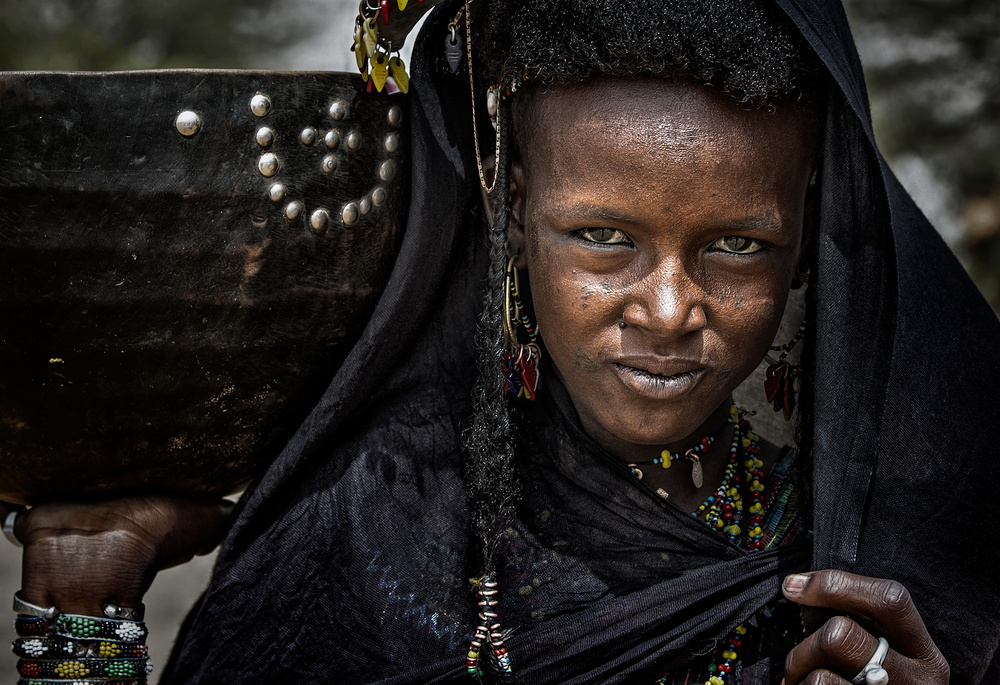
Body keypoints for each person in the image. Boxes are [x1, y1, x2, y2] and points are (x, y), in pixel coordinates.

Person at [4, 0, 999, 682]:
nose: (666, 307)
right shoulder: (370, 526)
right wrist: (80, 609)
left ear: (806, 242)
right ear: (512, 214)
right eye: (603, 237)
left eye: (737, 246)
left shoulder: (871, 560)